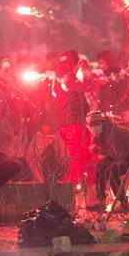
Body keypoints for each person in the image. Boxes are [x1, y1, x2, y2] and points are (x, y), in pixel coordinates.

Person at [51, 50, 95, 185]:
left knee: (84, 157)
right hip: (73, 123)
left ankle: (88, 192)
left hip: (67, 122)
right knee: (80, 157)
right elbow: (87, 86)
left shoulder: (59, 75)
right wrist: (84, 71)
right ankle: (69, 188)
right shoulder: (67, 76)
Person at [89, 112, 129, 210]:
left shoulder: (113, 132)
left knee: (112, 171)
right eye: (92, 125)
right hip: (120, 154)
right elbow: (110, 153)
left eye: (97, 123)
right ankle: (101, 201)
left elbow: (119, 151)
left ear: (103, 123)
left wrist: (109, 158)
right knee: (99, 167)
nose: (95, 127)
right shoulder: (100, 136)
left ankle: (124, 203)